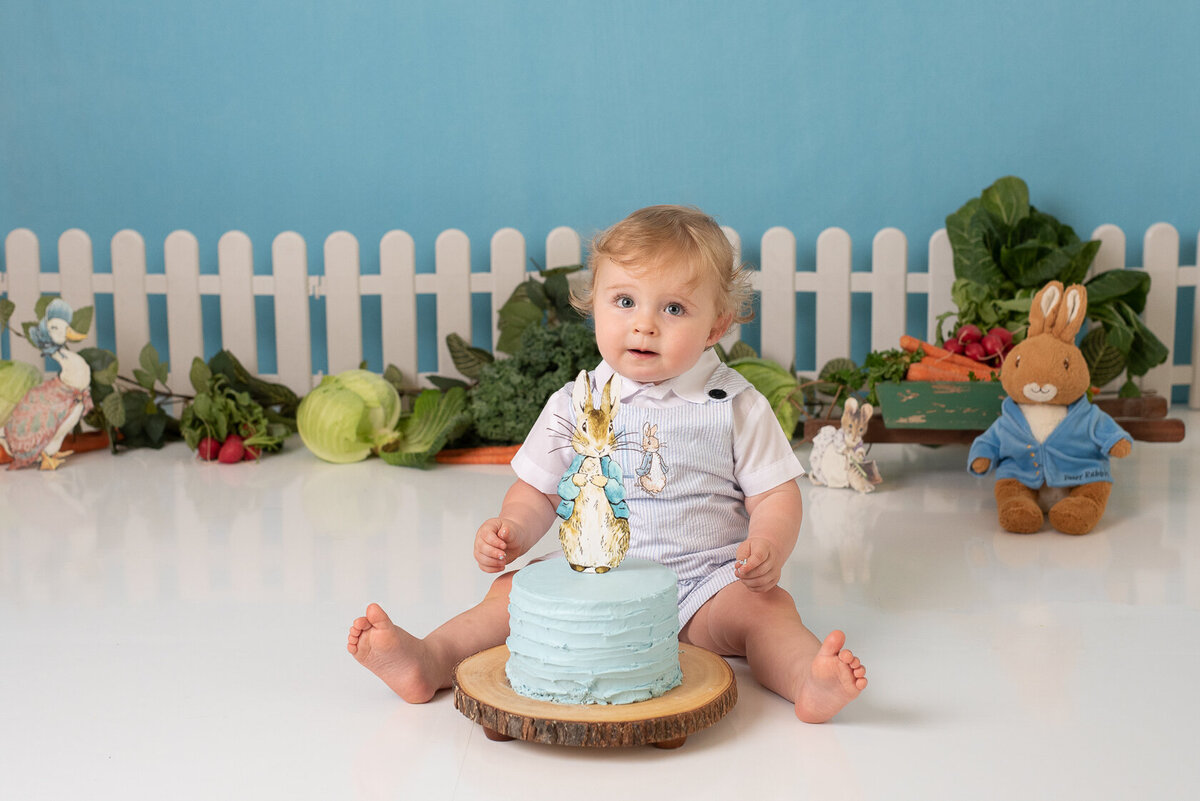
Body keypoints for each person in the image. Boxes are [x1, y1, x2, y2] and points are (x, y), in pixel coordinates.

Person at [348, 205, 867, 723]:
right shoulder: (577, 400)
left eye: (674, 310)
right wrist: (513, 529)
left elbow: (775, 494)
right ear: (593, 306)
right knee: (511, 595)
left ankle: (806, 679)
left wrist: (770, 545)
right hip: (594, 574)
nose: (644, 325)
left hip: (708, 584)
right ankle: (429, 660)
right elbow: (540, 492)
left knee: (769, 611)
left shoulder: (734, 403)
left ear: (718, 325)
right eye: (624, 301)